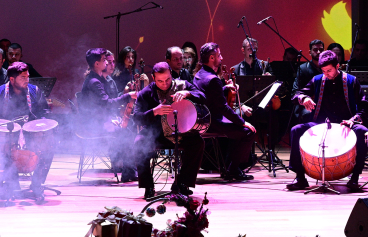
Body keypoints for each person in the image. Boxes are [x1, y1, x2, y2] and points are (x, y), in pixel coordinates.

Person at [286, 50, 368, 191]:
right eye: (323, 71)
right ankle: (300, 178)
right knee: (296, 130)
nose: (326, 74)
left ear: (338, 66)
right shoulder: (317, 80)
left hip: (345, 124)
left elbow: (365, 106)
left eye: (329, 70)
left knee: (362, 131)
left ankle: (354, 178)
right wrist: (304, 98)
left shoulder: (351, 81)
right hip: (321, 124)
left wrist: (353, 120)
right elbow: (296, 95)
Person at [131, 62, 206, 198]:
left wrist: (188, 93)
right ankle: (148, 186)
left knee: (198, 142)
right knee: (139, 143)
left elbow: (203, 96)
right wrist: (154, 112)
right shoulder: (146, 93)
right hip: (156, 133)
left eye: (167, 79)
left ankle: (182, 183)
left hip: (181, 131)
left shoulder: (182, 85)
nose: (165, 84)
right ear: (153, 78)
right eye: (160, 81)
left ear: (171, 74)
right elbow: (136, 118)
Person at [0, 62, 54, 201]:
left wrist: (42, 124)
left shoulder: (35, 91)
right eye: (23, 77)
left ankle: (37, 184)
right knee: (3, 148)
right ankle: (12, 185)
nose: (27, 80)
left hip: (30, 132)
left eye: (27, 77)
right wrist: (0, 126)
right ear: (12, 79)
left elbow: (45, 111)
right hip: (8, 133)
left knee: (49, 146)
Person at [193, 42, 256, 182]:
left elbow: (207, 95)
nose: (221, 58)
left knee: (237, 129)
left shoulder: (199, 74)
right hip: (212, 122)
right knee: (248, 132)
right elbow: (224, 108)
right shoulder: (213, 79)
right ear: (211, 58)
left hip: (202, 118)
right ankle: (233, 170)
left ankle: (230, 168)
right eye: (219, 55)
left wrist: (224, 88)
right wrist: (242, 122)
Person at [79, 48, 139, 179]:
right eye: (104, 60)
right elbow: (107, 103)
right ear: (97, 64)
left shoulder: (100, 79)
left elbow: (104, 106)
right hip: (92, 125)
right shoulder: (94, 82)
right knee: (125, 132)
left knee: (127, 128)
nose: (107, 62)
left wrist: (112, 118)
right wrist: (128, 96)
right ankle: (127, 170)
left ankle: (127, 169)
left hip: (99, 120)